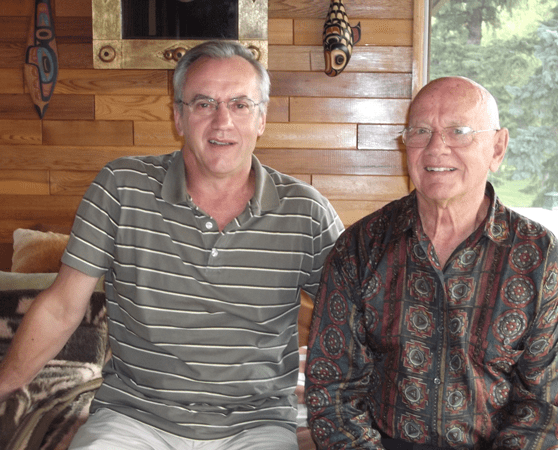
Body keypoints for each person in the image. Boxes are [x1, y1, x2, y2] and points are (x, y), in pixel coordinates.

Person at [0, 41, 344, 449]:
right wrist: (4, 384)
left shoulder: (305, 211)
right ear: (178, 116)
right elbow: (60, 309)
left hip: (257, 426)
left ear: (262, 118)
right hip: (133, 419)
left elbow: (355, 321)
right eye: (203, 104)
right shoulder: (120, 188)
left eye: (239, 104)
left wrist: (338, 420)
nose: (222, 122)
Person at [305, 76, 558, 450]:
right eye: (420, 131)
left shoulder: (536, 255)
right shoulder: (359, 247)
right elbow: (332, 390)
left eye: (459, 131)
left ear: (497, 148)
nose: (436, 148)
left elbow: (549, 407)